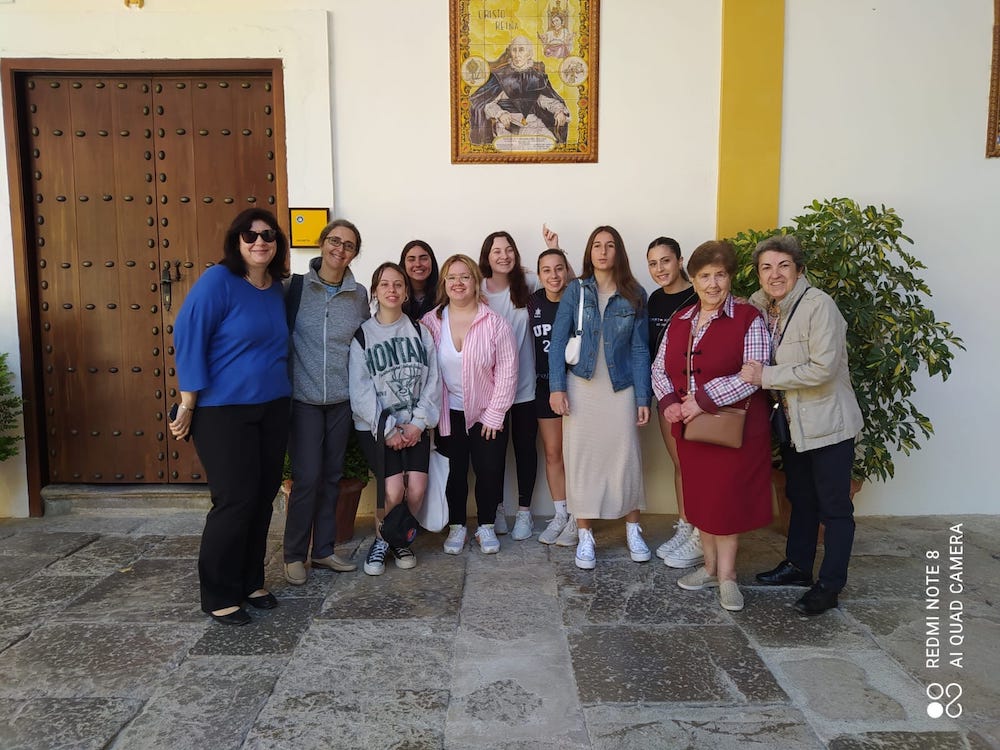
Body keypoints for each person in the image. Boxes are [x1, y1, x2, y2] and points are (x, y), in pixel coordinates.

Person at [171, 208, 291, 626]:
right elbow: (188, 336)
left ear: (277, 243)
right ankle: (219, 593)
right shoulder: (217, 281)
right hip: (223, 411)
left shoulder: (275, 289)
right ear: (236, 241)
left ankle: (250, 581)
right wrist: (188, 402)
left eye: (268, 235)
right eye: (249, 235)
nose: (259, 242)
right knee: (235, 499)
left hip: (273, 406)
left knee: (262, 496)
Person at [740, 235, 864, 615]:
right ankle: (797, 566)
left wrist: (765, 377)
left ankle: (830, 585)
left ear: (799, 270)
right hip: (794, 425)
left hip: (828, 423)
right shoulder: (765, 308)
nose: (775, 274)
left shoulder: (818, 306)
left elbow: (823, 368)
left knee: (835, 508)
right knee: (801, 496)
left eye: (783, 266)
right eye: (766, 267)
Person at [652, 240, 771, 612]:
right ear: (694, 279)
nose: (712, 284)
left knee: (726, 501)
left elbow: (753, 373)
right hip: (691, 429)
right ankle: (708, 567)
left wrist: (701, 399)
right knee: (700, 498)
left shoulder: (748, 318)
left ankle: (728, 576)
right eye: (704, 276)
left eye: (720, 275)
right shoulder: (680, 319)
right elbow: (659, 368)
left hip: (731, 430)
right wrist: (669, 402)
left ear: (730, 277)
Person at [547, 226, 652, 570]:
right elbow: (558, 342)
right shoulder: (576, 290)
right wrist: (557, 387)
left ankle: (633, 530)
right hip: (581, 386)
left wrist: (643, 397)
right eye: (597, 245)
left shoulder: (635, 293)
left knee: (626, 458)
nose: (603, 251)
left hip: (621, 389)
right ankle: (585, 535)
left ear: (618, 251)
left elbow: (640, 349)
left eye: (609, 245)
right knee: (582, 460)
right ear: (589, 252)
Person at [283, 219, 369, 586]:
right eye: (335, 241)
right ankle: (293, 554)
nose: (340, 249)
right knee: (306, 478)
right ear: (322, 243)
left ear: (354, 253)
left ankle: (323, 550)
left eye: (349, 245)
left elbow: (366, 343)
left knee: (333, 477)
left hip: (341, 401)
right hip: (303, 399)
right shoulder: (295, 288)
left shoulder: (358, 294)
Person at [421, 255, 517, 555]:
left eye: (465, 277)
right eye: (451, 277)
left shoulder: (495, 323)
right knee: (454, 472)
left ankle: (486, 526)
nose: (458, 283)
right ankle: (457, 526)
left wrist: (496, 413)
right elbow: (423, 371)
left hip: (487, 412)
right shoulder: (430, 322)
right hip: (447, 413)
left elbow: (507, 371)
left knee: (489, 470)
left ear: (476, 282)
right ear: (444, 283)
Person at [350, 262, 441, 576]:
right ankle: (381, 541)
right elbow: (360, 390)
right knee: (392, 491)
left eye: (398, 284)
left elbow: (433, 380)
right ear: (375, 291)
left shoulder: (419, 331)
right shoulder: (363, 336)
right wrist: (388, 429)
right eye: (385, 284)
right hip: (377, 427)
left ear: (405, 292)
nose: (392, 290)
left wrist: (418, 423)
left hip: (414, 425)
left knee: (416, 489)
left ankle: (399, 539)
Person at [479, 230, 542, 540]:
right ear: (487, 256)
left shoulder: (528, 283)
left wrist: (556, 250)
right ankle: (497, 509)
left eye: (509, 250)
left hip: (525, 386)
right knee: (493, 456)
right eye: (497, 251)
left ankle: (525, 513)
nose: (503, 256)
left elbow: (565, 284)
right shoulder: (477, 289)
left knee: (525, 450)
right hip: (490, 392)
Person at [645, 238, 702, 569]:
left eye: (665, 261)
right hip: (666, 395)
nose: (660, 269)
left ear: (680, 261)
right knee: (680, 464)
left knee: (697, 466)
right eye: (653, 263)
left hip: (696, 397)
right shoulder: (654, 299)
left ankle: (701, 531)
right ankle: (686, 524)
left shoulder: (698, 295)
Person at [528, 244, 577, 546]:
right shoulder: (532, 301)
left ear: (567, 271)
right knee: (553, 452)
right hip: (544, 387)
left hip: (576, 386)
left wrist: (556, 248)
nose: (554, 275)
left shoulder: (577, 299)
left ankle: (578, 517)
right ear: (538, 275)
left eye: (559, 268)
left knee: (576, 455)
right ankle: (561, 513)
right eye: (546, 270)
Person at [469, 35, 570, 146]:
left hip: (532, 124)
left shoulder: (537, 77)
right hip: (507, 125)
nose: (517, 55)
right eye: (514, 50)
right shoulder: (500, 75)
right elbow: (486, 104)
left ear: (529, 54)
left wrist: (559, 111)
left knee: (550, 144)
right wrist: (500, 114)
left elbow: (545, 100)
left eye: (521, 50)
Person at [400, 240, 440, 322]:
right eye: (411, 259)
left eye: (423, 258)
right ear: (404, 264)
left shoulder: (444, 294)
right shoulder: (395, 294)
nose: (418, 264)